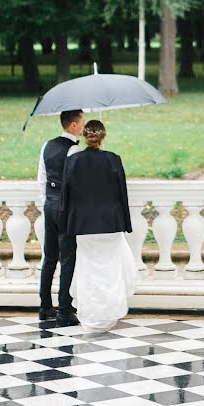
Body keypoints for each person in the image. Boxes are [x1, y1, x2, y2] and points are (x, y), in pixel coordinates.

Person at [59, 119, 138, 332]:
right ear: (103, 137)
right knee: (110, 271)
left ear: (85, 136)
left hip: (82, 226)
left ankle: (91, 314)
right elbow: (123, 195)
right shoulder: (114, 160)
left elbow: (66, 197)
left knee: (88, 271)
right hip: (110, 224)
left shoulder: (73, 161)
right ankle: (109, 313)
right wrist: (126, 224)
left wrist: (66, 226)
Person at [37, 109, 85, 327]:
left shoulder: (47, 145)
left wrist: (47, 202)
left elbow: (42, 178)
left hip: (49, 204)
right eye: (82, 121)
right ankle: (65, 309)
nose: (84, 125)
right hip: (66, 207)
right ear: (73, 126)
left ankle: (45, 306)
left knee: (49, 256)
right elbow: (76, 183)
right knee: (67, 258)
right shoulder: (74, 148)